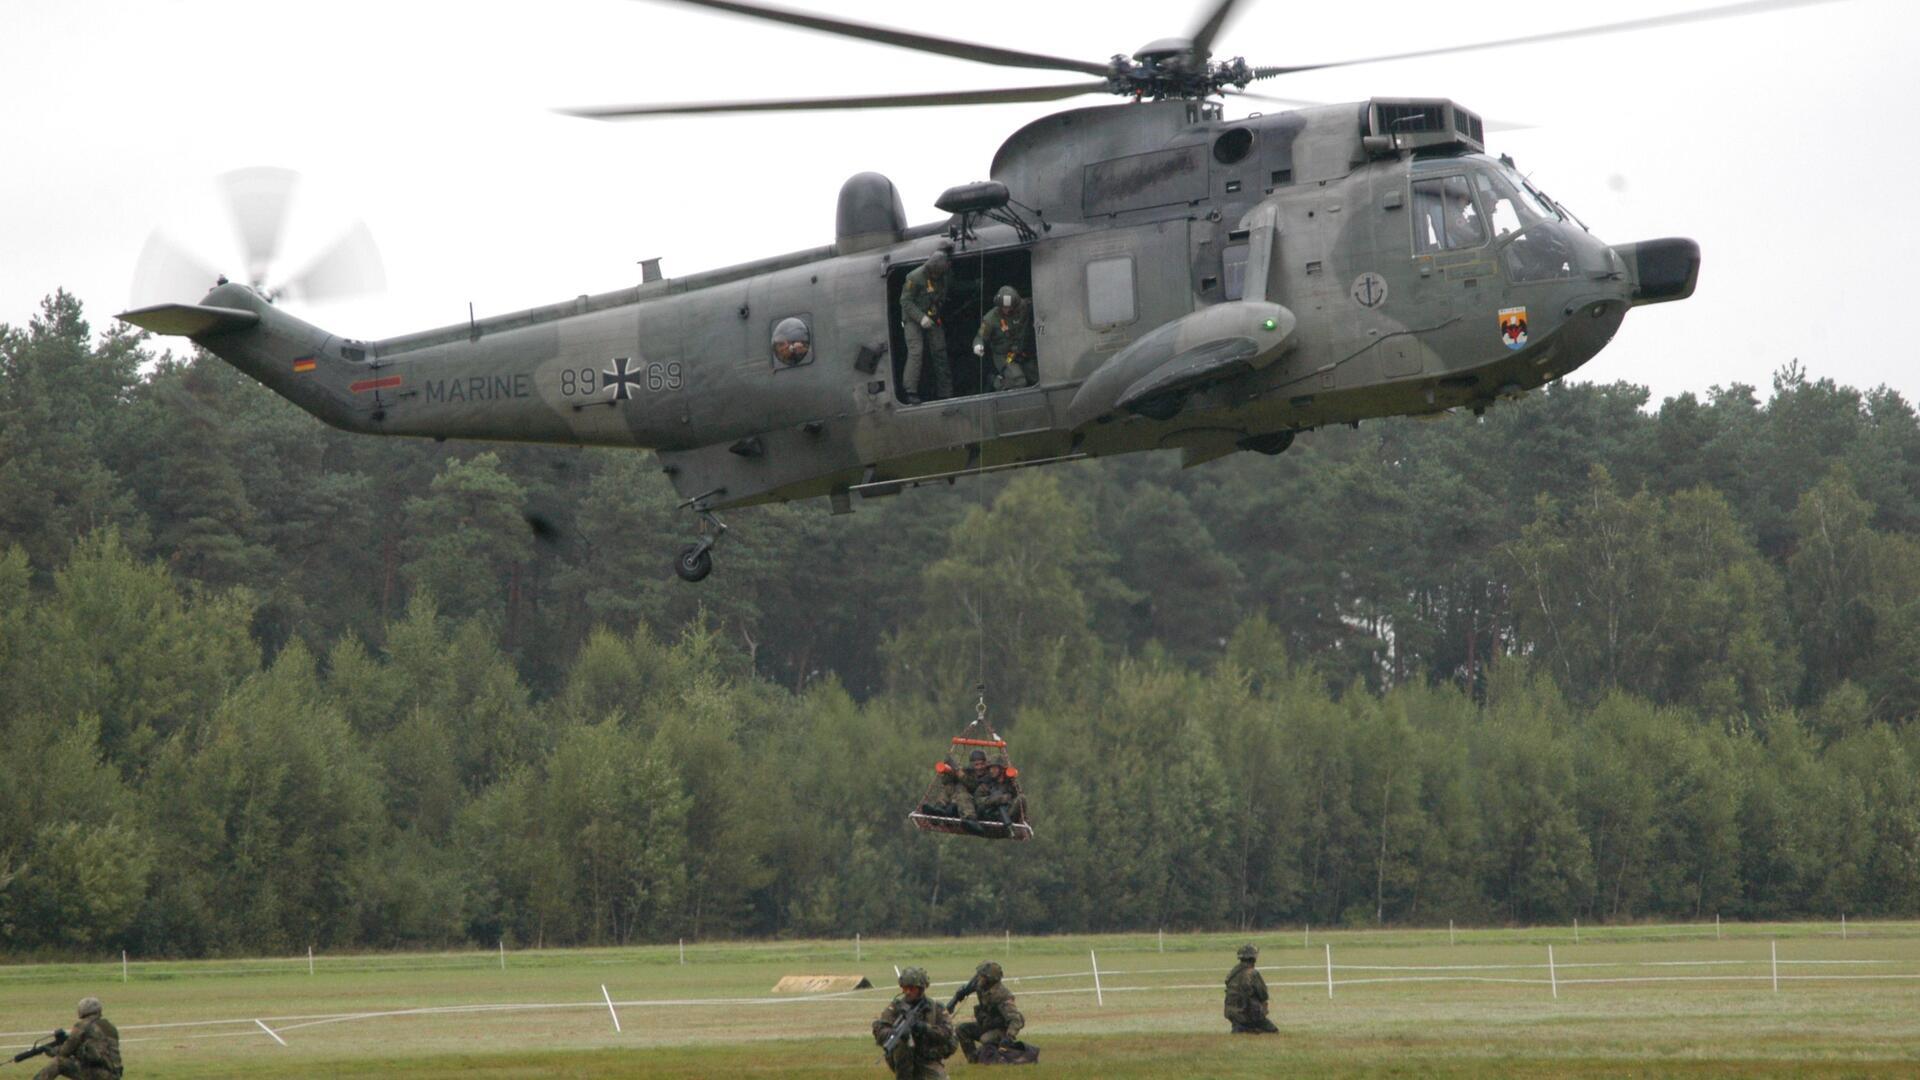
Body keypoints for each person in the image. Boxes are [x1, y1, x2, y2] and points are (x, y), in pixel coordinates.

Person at [871, 966, 957, 1080]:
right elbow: (880, 1029)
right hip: (903, 1062)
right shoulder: (896, 1008)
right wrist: (897, 1033)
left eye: (912, 988)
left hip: (928, 1060)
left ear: (921, 988)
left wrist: (925, 1028)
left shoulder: (936, 1008)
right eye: (905, 988)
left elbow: (947, 1032)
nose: (907, 992)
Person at [899, 246, 953, 404]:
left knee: (940, 350)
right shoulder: (914, 277)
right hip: (913, 317)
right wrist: (921, 318)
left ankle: (946, 392)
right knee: (916, 350)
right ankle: (910, 391)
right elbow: (905, 301)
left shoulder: (943, 275)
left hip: (933, 316)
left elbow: (950, 287)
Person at [955, 961, 1028, 1064]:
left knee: (986, 1039)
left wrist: (1009, 1037)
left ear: (990, 979)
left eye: (982, 976)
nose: (979, 978)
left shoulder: (1002, 995)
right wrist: (959, 995)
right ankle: (973, 1060)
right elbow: (968, 988)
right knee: (961, 1029)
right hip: (987, 1025)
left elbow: (1016, 1019)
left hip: (1001, 1030)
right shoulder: (981, 986)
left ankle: (998, 1057)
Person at [34, 996, 121, 1080]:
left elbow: (65, 1051)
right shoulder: (109, 1026)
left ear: (83, 1010)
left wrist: (53, 1051)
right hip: (114, 1075)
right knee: (77, 1063)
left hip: (98, 1074)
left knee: (59, 1062)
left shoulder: (82, 1025)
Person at [972, 285, 1037, 391]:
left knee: (1036, 377)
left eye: (1010, 307)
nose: (1007, 310)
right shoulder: (991, 318)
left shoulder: (1024, 307)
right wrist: (978, 345)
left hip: (1022, 352)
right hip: (1004, 355)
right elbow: (980, 336)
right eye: (1004, 307)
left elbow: (1037, 303)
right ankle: (995, 381)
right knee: (1019, 381)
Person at [1224, 944, 1278, 1034]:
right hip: (1249, 1014)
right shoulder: (1252, 973)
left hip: (1233, 1015)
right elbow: (1263, 995)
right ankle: (1252, 1028)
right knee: (1274, 1031)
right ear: (1253, 958)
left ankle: (1242, 1028)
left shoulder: (1232, 973)